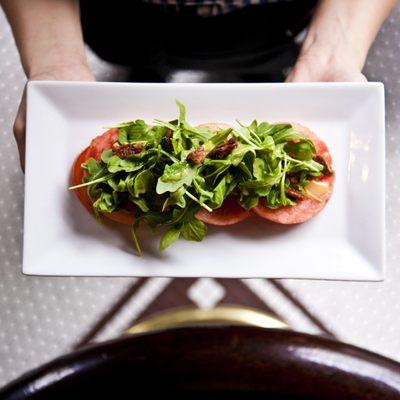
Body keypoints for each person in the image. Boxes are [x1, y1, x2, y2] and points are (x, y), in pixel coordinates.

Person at [1, 0, 396, 169]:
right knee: (133, 55)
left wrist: (332, 52)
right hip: (121, 14)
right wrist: (56, 58)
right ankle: (146, 76)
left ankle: (257, 74)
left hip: (269, 15)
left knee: (263, 60)